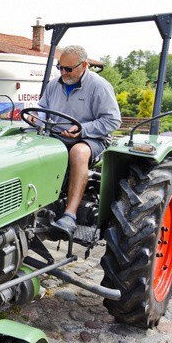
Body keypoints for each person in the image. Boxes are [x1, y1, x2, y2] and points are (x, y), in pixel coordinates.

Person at [37, 45, 121, 234]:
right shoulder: (54, 85)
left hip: (91, 139)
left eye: (68, 69)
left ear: (84, 65)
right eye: (60, 68)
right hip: (57, 136)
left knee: (78, 152)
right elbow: (41, 108)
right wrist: (35, 117)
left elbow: (113, 120)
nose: (63, 73)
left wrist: (83, 129)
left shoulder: (99, 87)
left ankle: (69, 215)